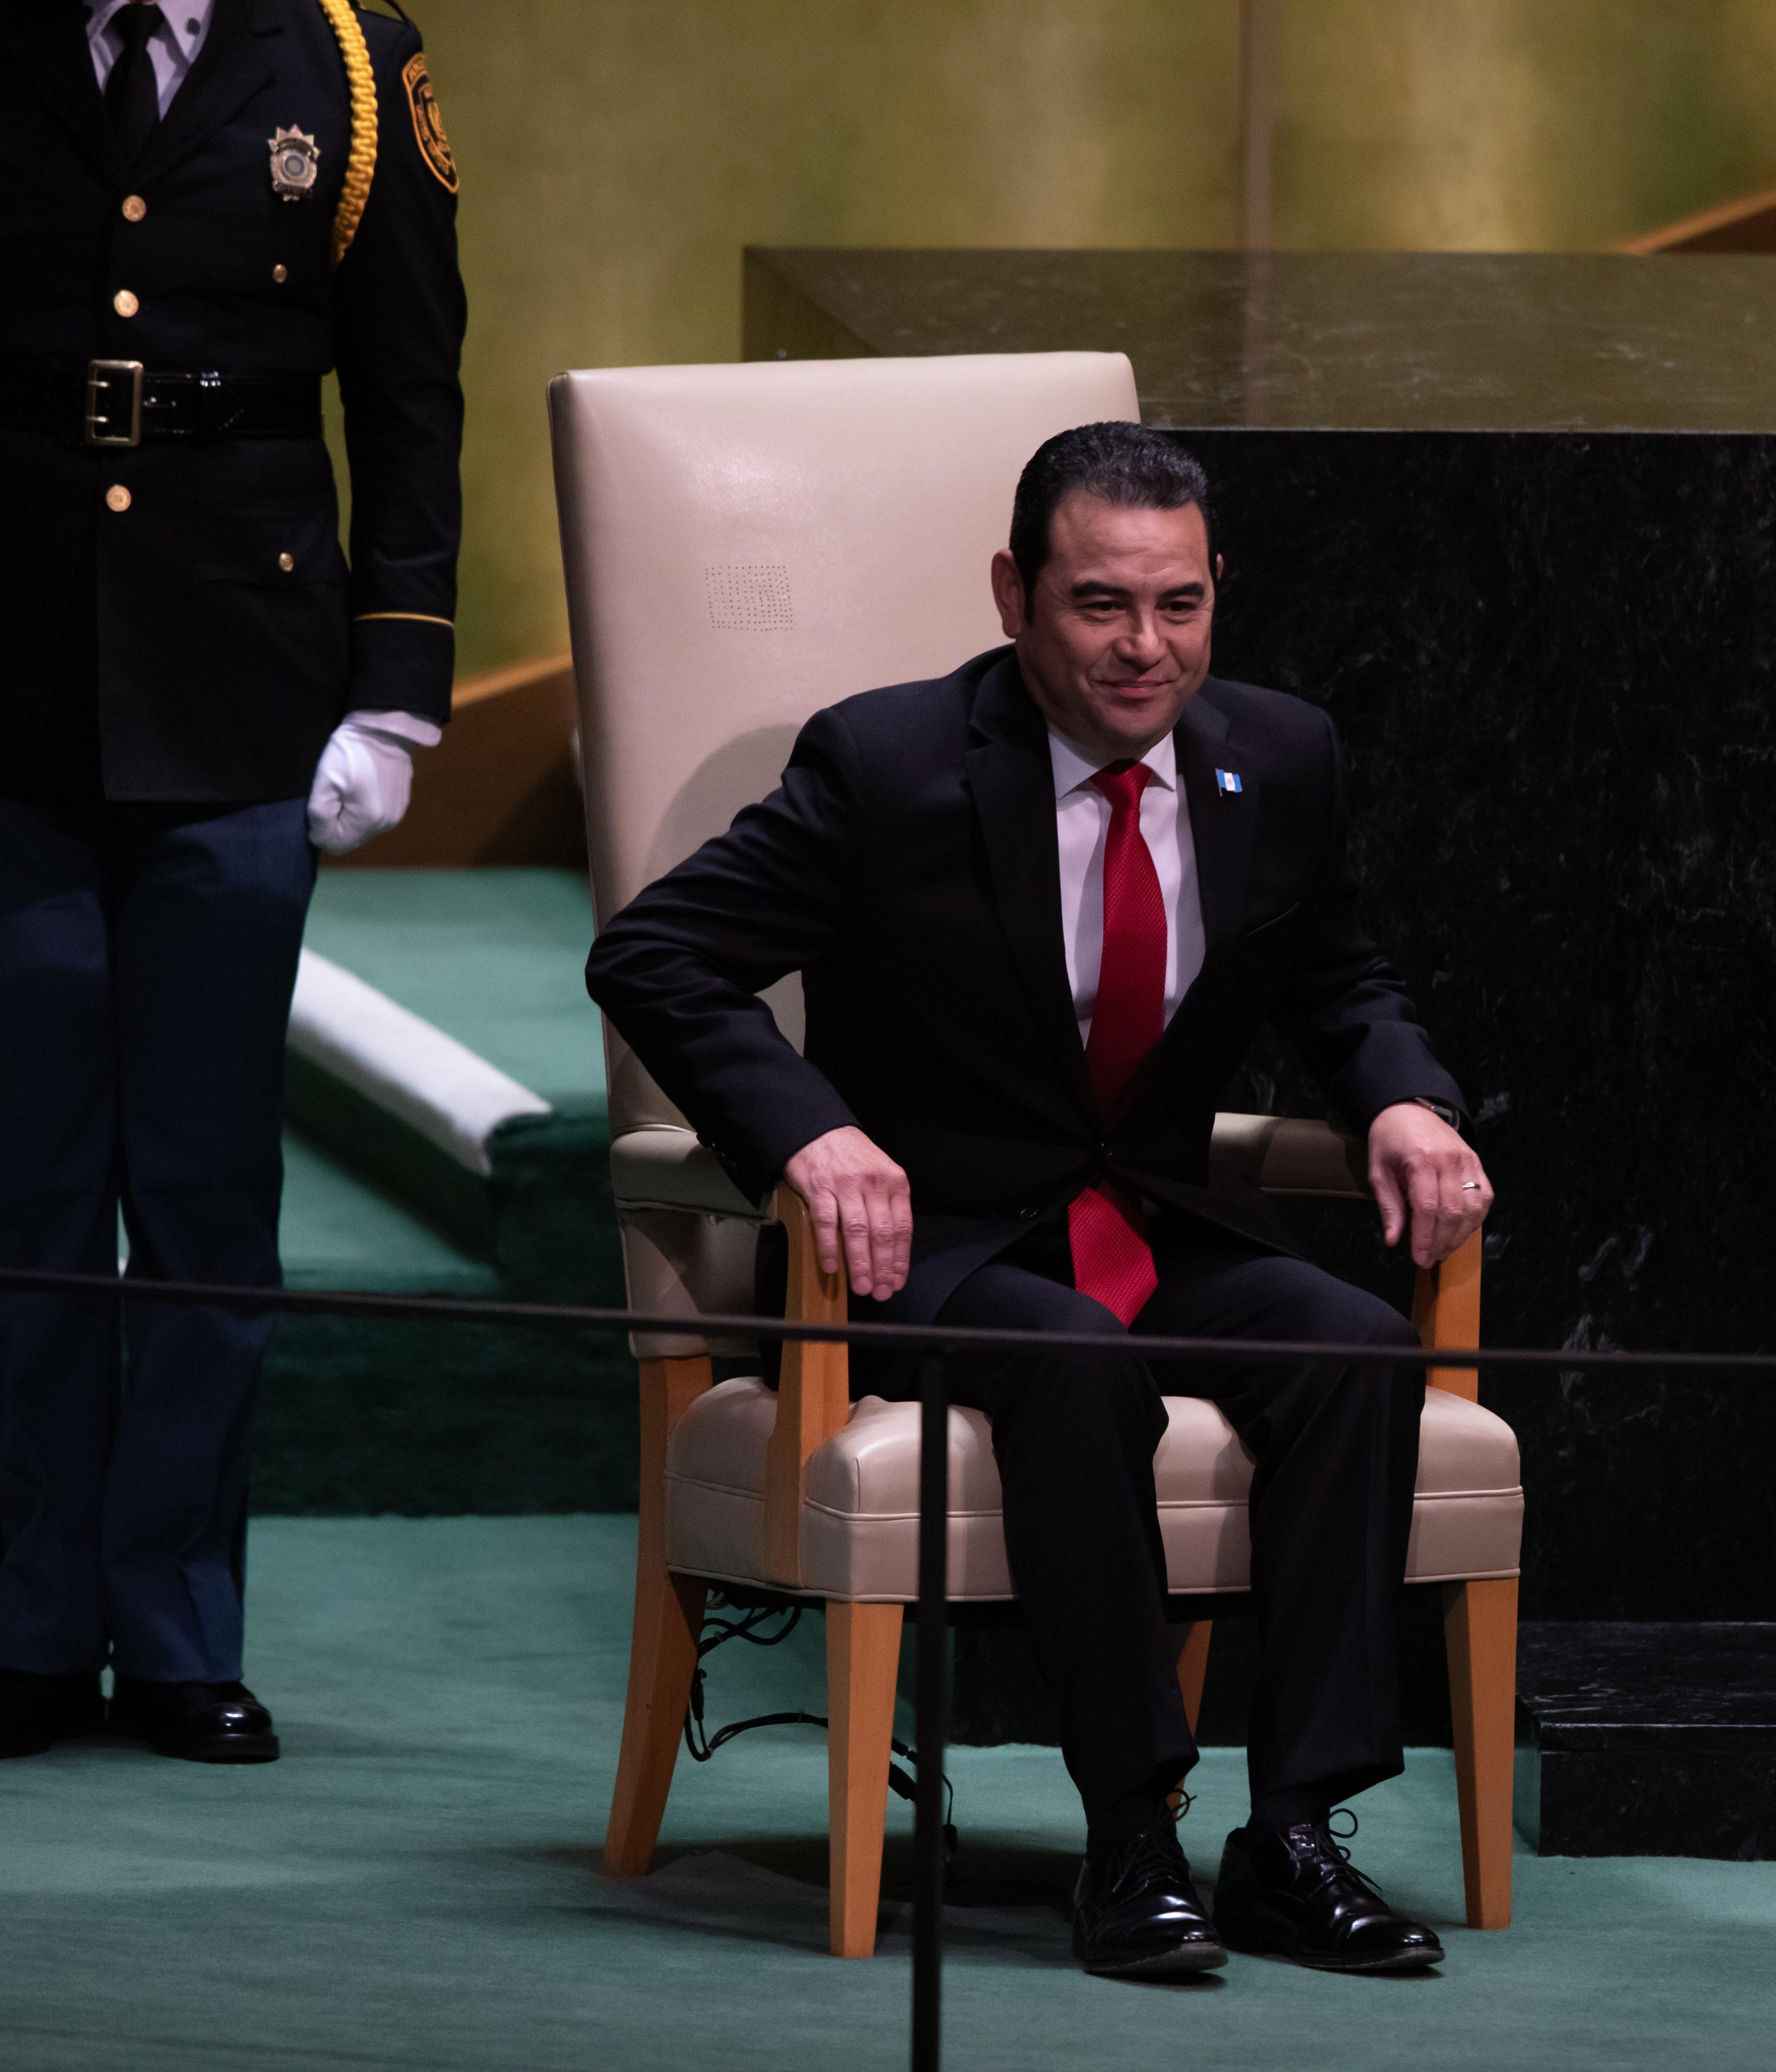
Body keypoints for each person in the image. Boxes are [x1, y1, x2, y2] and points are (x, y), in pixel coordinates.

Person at [586, 423, 1493, 1976]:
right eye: (1101, 604)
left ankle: (1291, 1838)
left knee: (1351, 1348)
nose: (1147, 647)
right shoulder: (888, 766)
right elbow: (657, 953)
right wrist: (809, 1135)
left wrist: (1406, 1097)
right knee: (1078, 1365)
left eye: (1181, 605)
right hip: (930, 1251)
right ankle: (1130, 1834)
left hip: (1155, 1225)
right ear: (1015, 595)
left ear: (1217, 593)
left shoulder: (1279, 757)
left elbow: (1341, 979)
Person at [0, 0, 466, 1764]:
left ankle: (174, 1631)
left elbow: (412, 390)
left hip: (247, 687)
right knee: (23, 1188)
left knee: (201, 1191)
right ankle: (32, 1630)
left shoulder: (349, 62)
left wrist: (396, 685)